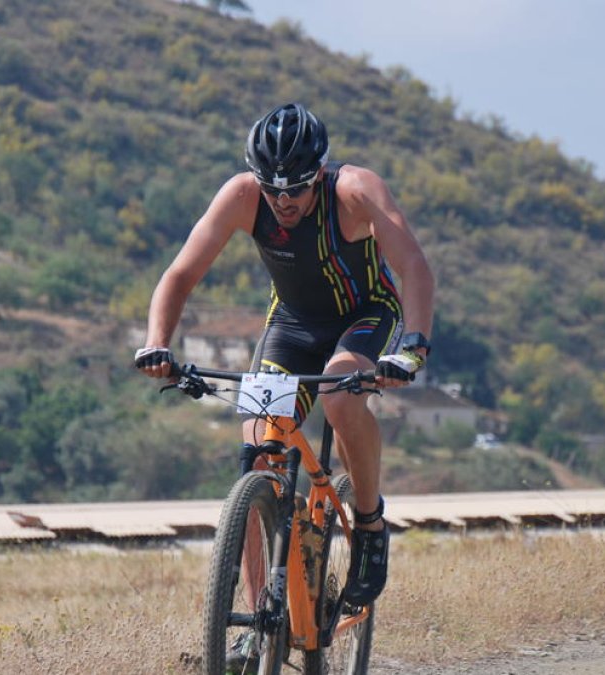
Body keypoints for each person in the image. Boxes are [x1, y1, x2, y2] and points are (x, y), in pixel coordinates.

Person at [135, 102, 434, 609]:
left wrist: (413, 348)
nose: (282, 200)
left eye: (295, 188)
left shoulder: (356, 190)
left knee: (340, 400)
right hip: (292, 325)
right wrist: (157, 342)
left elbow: (414, 266)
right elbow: (180, 275)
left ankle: (368, 523)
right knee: (256, 453)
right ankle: (257, 624)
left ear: (319, 173)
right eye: (272, 189)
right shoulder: (241, 196)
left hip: (364, 316)